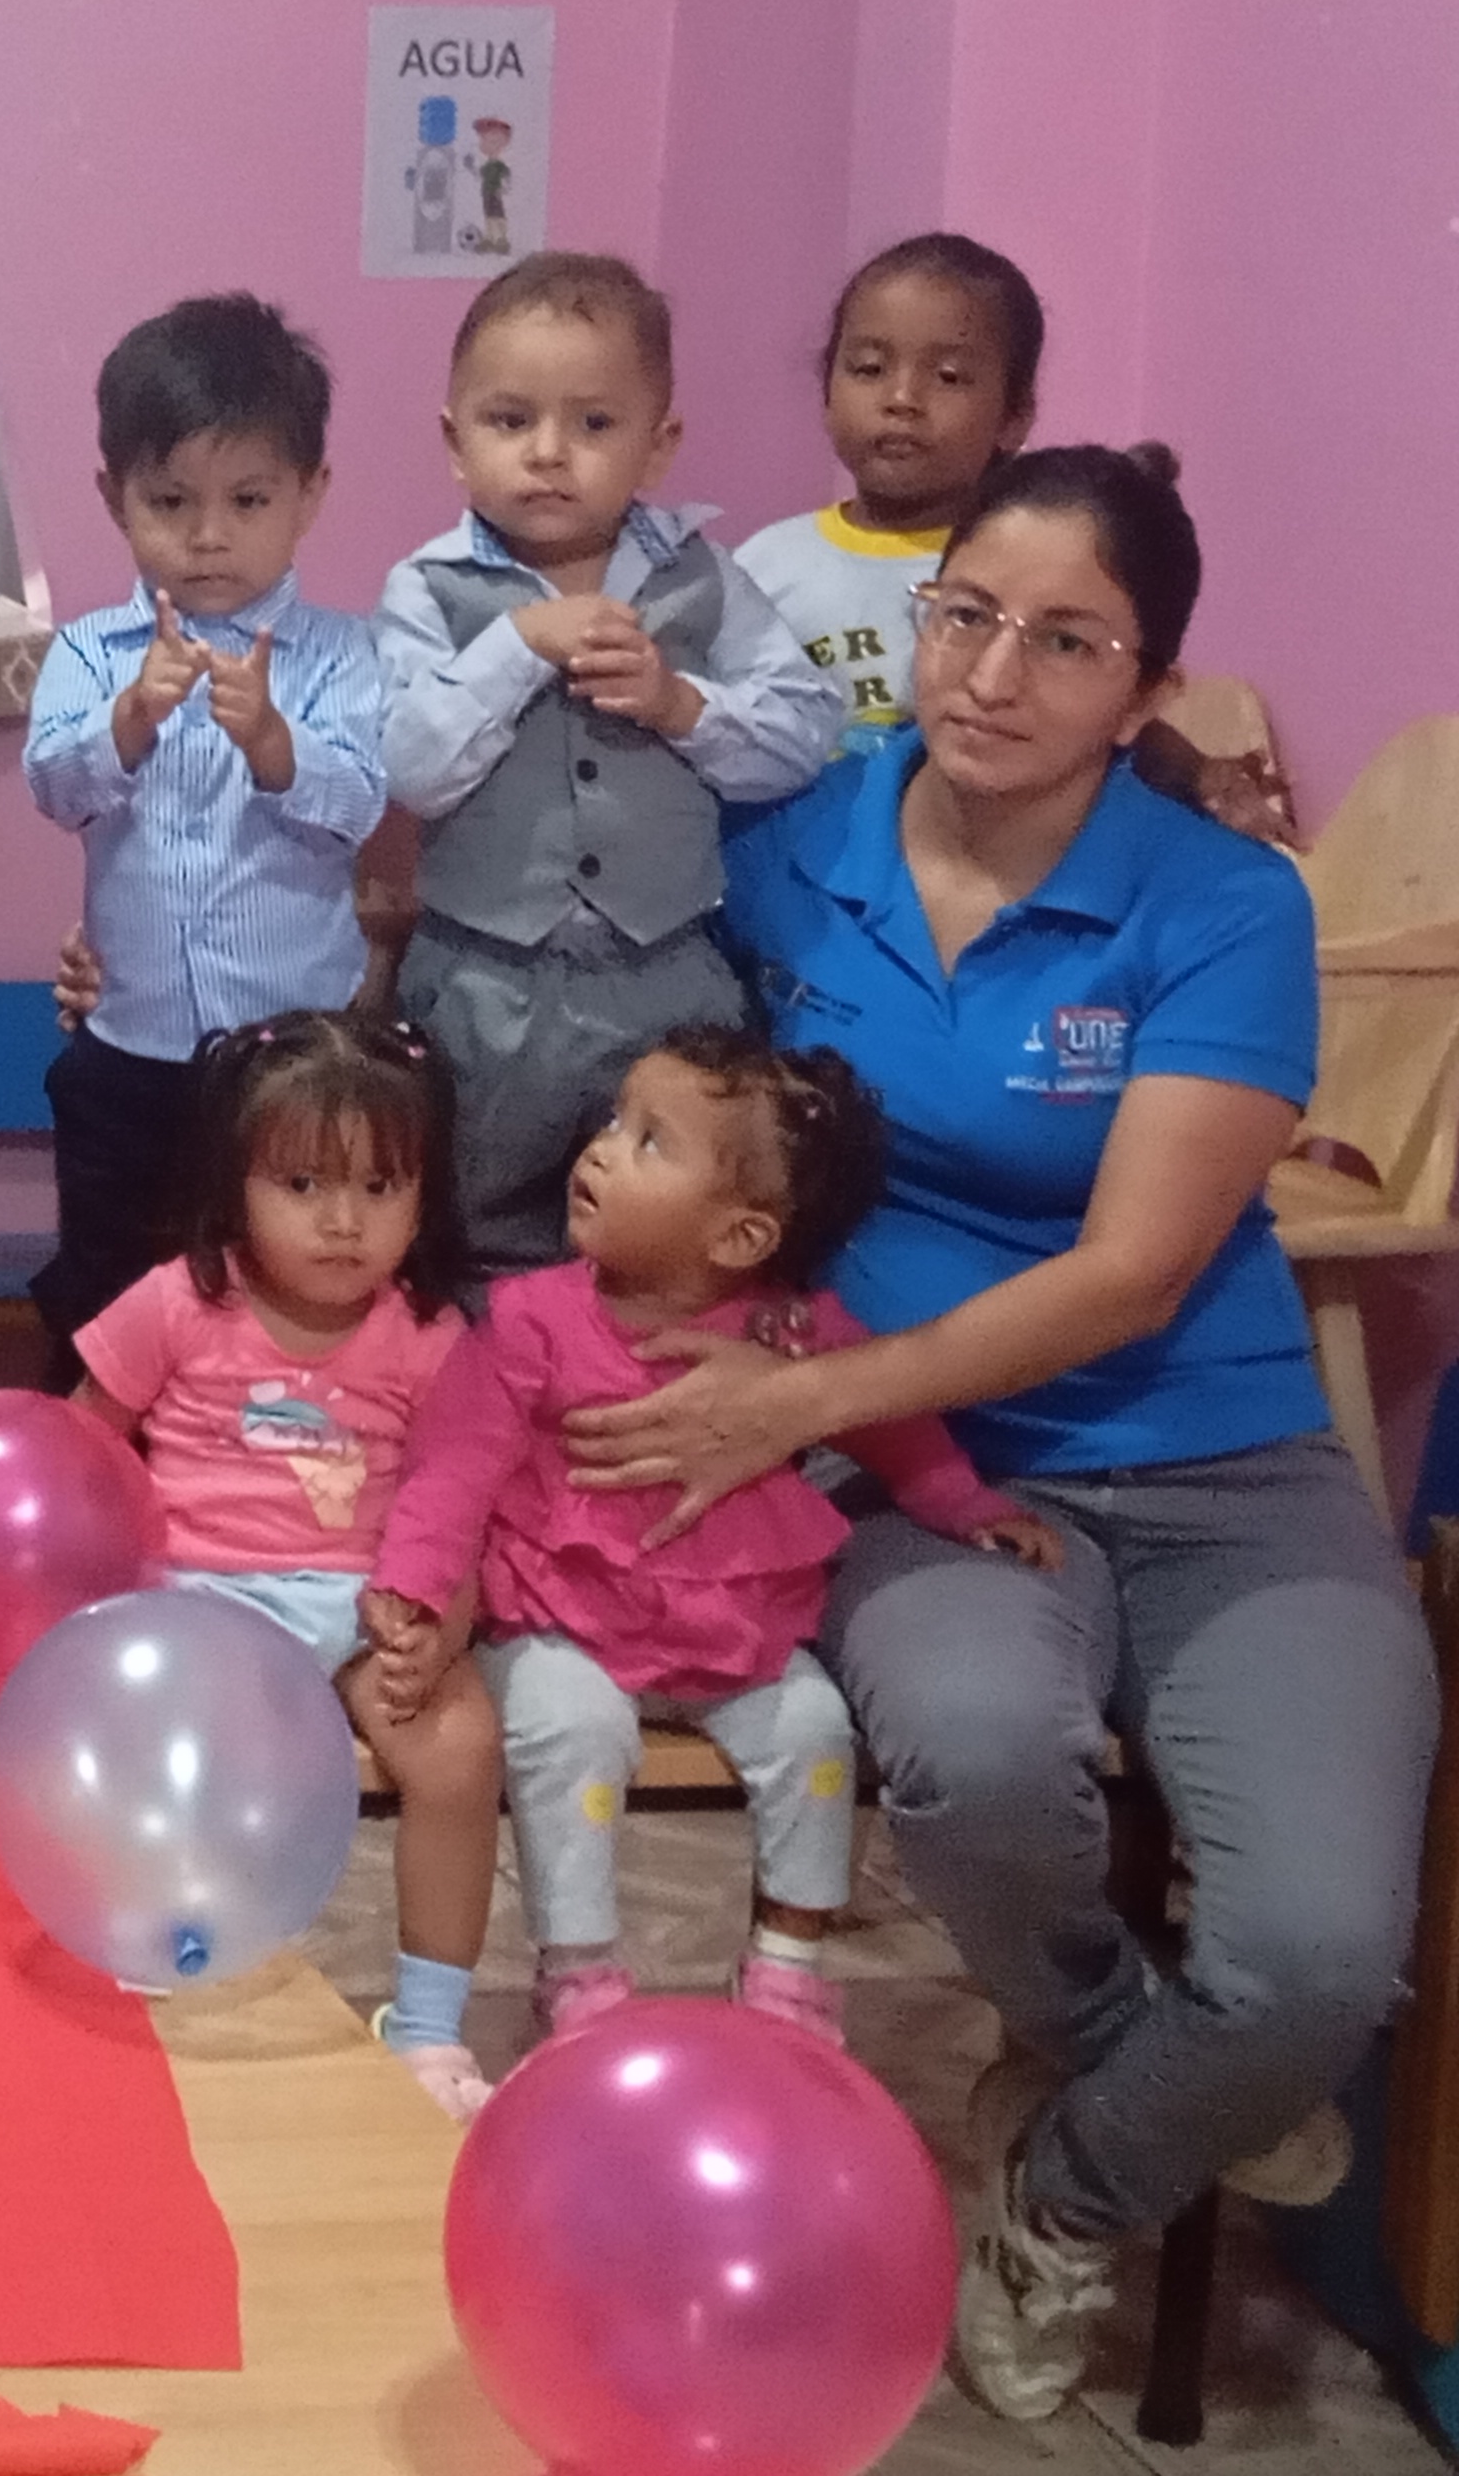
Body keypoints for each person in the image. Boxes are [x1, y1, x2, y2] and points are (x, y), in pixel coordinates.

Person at [565, 444, 1437, 2421]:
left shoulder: (1222, 903)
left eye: (1065, 641)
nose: (990, 672)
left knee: (1317, 1955)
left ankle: (1064, 2189)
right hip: (935, 1478)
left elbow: (1135, 1270)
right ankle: (1143, 2057)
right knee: (969, 1754)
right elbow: (565, 916)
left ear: (1145, 691)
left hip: (1225, 1459)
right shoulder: (800, 838)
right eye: (965, 613)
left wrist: (795, 1400)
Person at [364, 1029, 1058, 2054]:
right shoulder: (531, 1321)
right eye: (615, 1122)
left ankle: (787, 1965)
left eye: (649, 1141)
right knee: (570, 1733)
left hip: (733, 1629)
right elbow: (454, 1468)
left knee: (815, 1733)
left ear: (739, 1238)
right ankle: (578, 1967)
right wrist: (417, 1591)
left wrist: (962, 1502)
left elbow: (893, 1426)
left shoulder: (793, 1334)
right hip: (563, 1619)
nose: (600, 1150)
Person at [375, 251, 844, 1269]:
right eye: (510, 421)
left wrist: (682, 703)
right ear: (455, 443)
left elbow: (806, 731)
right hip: (481, 986)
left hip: (663, 978)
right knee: (466, 1219)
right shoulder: (427, 589)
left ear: (658, 445)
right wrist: (518, 644)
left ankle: (632, 1360)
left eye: (594, 424)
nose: (549, 453)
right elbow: (413, 768)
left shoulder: (703, 579)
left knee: (667, 1228)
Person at [69, 1011, 500, 2116]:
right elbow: (79, 1449)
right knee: (184, 1741)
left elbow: (457, 1499)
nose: (344, 1221)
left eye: (380, 1187)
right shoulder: (179, 1301)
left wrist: (437, 1624)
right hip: (200, 1600)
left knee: (459, 1750)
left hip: (360, 1607)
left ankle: (431, 2026)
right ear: (236, 1184)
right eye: (304, 1185)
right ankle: (174, 1929)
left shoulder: (431, 1336)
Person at [24, 292, 387, 1360]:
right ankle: (98, 1425)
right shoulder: (90, 652)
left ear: (310, 495)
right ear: (114, 498)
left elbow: (359, 808)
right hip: (129, 1043)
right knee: (109, 1265)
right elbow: (57, 792)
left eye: (249, 499)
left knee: (284, 1261)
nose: (209, 534)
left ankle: (270, 1422)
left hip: (296, 1051)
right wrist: (129, 718)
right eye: (170, 500)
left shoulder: (341, 653)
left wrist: (274, 741)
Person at [736, 234, 1043, 757]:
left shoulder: (1026, 573)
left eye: (948, 377)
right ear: (827, 393)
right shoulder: (764, 566)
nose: (902, 399)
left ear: (1014, 417)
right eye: (869, 369)